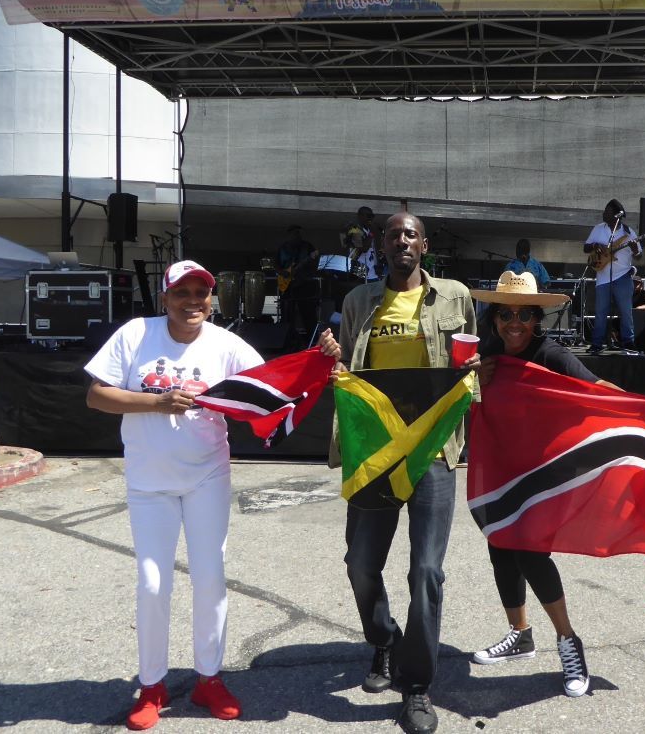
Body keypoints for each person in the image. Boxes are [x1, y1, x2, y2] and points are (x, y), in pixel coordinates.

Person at [85, 258, 339, 731]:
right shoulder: (136, 335)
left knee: (209, 579)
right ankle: (153, 686)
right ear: (165, 297)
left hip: (206, 478)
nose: (192, 302)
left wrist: (320, 360)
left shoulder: (226, 344)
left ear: (211, 300)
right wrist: (155, 403)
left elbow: (273, 386)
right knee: (153, 584)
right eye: (182, 293)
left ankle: (209, 679)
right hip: (148, 483)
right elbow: (97, 396)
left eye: (201, 293)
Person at [469, 270, 645, 698]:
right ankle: (521, 635)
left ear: (537, 320)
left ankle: (569, 642)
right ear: (494, 317)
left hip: (543, 472)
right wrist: (474, 375)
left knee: (530, 554)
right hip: (500, 466)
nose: (516, 323)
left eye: (525, 315)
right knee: (500, 548)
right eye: (507, 314)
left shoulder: (550, 355)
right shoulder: (486, 352)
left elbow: (597, 387)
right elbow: (461, 395)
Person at [329, 211, 479, 734]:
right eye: (393, 235)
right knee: (361, 564)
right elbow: (346, 367)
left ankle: (416, 687)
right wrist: (335, 366)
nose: (401, 242)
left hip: (433, 451)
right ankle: (384, 642)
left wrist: (472, 376)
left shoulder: (456, 297)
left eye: (410, 234)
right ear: (382, 246)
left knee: (426, 572)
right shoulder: (358, 301)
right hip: (376, 451)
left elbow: (471, 372)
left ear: (424, 245)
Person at [583, 198, 642, 354]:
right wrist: (596, 245)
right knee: (600, 312)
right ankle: (597, 344)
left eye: (607, 212)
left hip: (623, 276)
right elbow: (585, 247)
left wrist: (635, 248)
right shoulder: (598, 229)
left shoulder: (628, 233)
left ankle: (628, 342)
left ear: (616, 216)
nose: (604, 213)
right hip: (602, 276)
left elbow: (638, 256)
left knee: (625, 311)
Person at [275, 225, 320, 344]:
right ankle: (286, 341)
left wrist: (309, 261)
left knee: (308, 314)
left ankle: (312, 341)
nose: (297, 235)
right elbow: (277, 265)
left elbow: (314, 263)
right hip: (288, 286)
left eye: (298, 233)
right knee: (287, 315)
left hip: (304, 284)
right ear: (289, 235)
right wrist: (283, 272)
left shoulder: (307, 246)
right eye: (294, 233)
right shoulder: (282, 248)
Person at [343, 205, 384, 280]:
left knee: (374, 289)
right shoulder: (354, 230)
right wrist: (372, 232)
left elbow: (373, 250)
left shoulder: (369, 231)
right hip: (359, 269)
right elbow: (363, 248)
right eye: (368, 216)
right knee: (362, 288)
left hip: (373, 271)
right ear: (360, 216)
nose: (370, 218)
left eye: (372, 216)